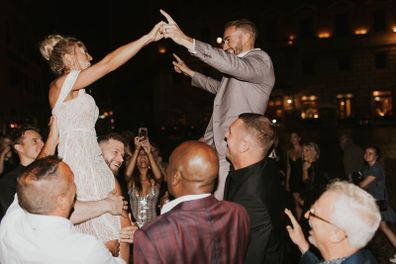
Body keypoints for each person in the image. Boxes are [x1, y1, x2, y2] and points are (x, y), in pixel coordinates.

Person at [39, 20, 164, 254]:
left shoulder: (78, 89)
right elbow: (108, 64)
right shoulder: (61, 84)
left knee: (122, 234)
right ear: (68, 57)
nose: (90, 55)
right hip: (79, 165)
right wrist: (147, 38)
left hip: (96, 164)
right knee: (105, 245)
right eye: (83, 50)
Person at [160, 10, 275, 199]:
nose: (225, 45)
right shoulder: (241, 69)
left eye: (228, 40)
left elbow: (232, 65)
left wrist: (185, 40)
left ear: (246, 36)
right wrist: (190, 73)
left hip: (241, 151)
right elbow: (219, 88)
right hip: (221, 147)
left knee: (229, 208)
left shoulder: (260, 61)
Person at [133, 141, 250, 263]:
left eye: (169, 168)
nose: (166, 172)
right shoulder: (238, 214)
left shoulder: (152, 235)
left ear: (175, 177)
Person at [0, 156, 129, 264]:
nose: (76, 185)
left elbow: (31, 180)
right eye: (72, 181)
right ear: (62, 201)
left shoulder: (11, 222)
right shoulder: (87, 250)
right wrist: (108, 251)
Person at [224, 113, 286, 263]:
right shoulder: (266, 166)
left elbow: (248, 257)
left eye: (230, 133)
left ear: (244, 146)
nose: (226, 135)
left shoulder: (251, 201)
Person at [285, 181, 380, 263]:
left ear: (336, 233)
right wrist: (302, 243)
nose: (306, 215)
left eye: (314, 213)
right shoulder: (359, 255)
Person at [0, 122, 56, 221]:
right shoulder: (9, 181)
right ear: (19, 147)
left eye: (42, 140)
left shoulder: (52, 173)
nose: (43, 144)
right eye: (35, 141)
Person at [358, 145, 396, 262]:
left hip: (378, 203)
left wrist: (350, 186)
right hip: (373, 202)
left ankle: (357, 253)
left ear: (376, 156)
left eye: (370, 153)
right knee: (383, 227)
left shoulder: (376, 168)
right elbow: (366, 183)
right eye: (366, 152)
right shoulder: (368, 168)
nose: (367, 155)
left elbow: (362, 185)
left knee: (366, 226)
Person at [124, 136, 163, 228]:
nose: (142, 157)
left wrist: (149, 153)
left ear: (150, 161)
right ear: (135, 162)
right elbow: (127, 175)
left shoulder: (155, 181)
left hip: (153, 228)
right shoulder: (131, 181)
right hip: (134, 228)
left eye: (145, 155)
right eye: (139, 155)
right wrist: (136, 149)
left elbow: (159, 177)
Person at [285, 131, 304, 220]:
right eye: (291, 137)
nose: (293, 139)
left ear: (299, 138)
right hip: (294, 179)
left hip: (303, 179)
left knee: (304, 202)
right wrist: (287, 182)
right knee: (296, 203)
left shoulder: (304, 150)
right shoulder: (289, 152)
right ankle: (300, 223)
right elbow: (289, 168)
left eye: (295, 136)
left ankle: (306, 222)